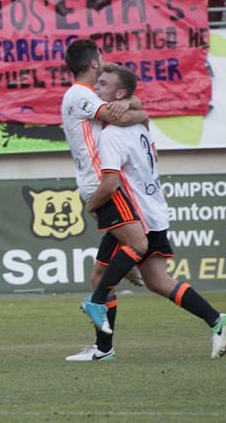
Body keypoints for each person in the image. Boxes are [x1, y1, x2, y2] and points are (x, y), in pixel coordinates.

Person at [69, 63, 226, 362]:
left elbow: (110, 183)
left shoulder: (111, 136)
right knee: (155, 281)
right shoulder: (140, 126)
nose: (96, 88)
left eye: (103, 84)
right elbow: (154, 153)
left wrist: (91, 205)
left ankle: (101, 331)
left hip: (138, 215)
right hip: (155, 209)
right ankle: (217, 321)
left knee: (111, 273)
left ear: (119, 94)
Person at [59, 38, 150, 356]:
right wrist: (143, 114)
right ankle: (96, 301)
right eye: (100, 58)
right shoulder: (80, 95)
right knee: (140, 244)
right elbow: (122, 116)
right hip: (102, 183)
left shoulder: (84, 95)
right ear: (94, 63)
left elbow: (124, 104)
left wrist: (131, 103)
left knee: (99, 274)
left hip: (96, 182)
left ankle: (103, 348)